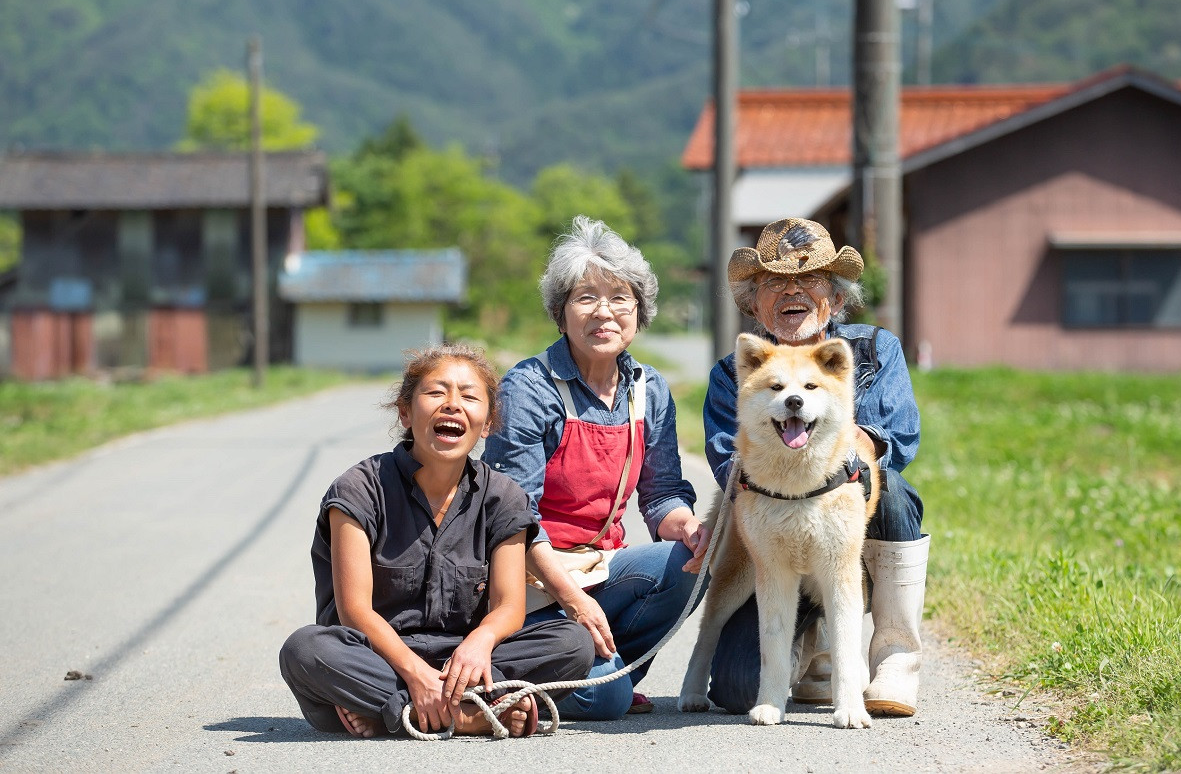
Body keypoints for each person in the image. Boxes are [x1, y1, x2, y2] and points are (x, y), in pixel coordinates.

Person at [279, 344, 594, 738]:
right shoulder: (359, 488)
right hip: (376, 661)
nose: (452, 404)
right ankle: (468, 716)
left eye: (469, 395)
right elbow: (354, 611)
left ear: (490, 421)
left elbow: (509, 607)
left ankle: (397, 716)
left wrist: (480, 641)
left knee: (572, 642)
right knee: (305, 649)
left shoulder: (505, 497)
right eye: (436, 392)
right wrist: (414, 674)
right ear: (406, 412)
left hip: (467, 665)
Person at [482, 215, 710, 720]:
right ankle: (543, 676)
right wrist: (573, 601)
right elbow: (509, 519)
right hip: (530, 581)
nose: (603, 311)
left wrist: (692, 530)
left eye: (619, 298)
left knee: (692, 564)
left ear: (638, 311)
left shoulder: (649, 390)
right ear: (561, 315)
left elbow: (662, 495)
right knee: (607, 700)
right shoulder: (529, 388)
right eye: (585, 297)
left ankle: (613, 671)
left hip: (598, 567)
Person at [703, 217, 930, 717]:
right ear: (753, 301)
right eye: (775, 283)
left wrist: (847, 453)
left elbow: (900, 437)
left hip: (851, 521)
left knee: (889, 488)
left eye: (810, 279)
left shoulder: (869, 350)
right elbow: (728, 458)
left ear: (836, 294)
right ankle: (813, 651)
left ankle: (895, 659)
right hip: (774, 520)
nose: (793, 292)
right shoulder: (737, 370)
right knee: (738, 689)